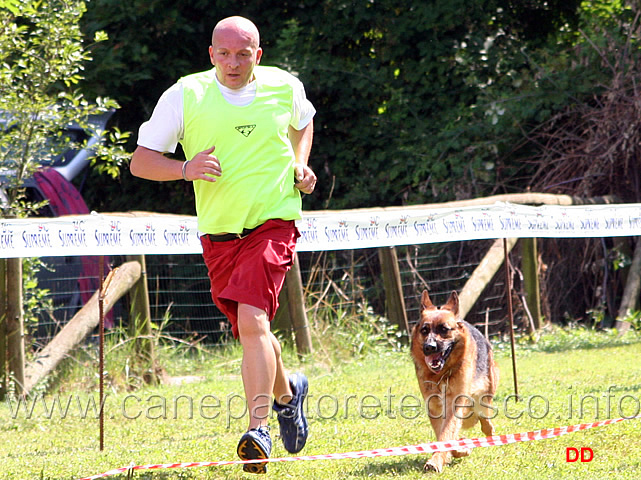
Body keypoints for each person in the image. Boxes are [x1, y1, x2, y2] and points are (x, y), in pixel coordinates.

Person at [130, 15, 316, 474]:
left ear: (259, 53)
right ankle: (288, 395)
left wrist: (299, 165)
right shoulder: (185, 94)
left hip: (273, 222)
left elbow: (303, 123)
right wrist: (183, 169)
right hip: (219, 234)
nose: (234, 62)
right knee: (253, 332)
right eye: (224, 53)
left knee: (253, 321)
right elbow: (140, 162)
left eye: (243, 53)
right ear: (211, 54)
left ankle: (259, 430)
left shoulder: (284, 86)